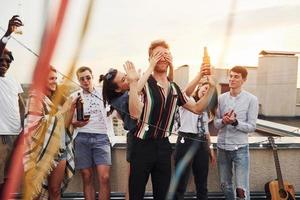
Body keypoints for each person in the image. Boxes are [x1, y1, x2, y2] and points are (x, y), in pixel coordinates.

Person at [128, 39, 216, 200]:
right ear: (150, 59)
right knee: (136, 194)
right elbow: (134, 113)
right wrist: (134, 82)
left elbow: (197, 108)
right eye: (157, 55)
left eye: (166, 54)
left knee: (163, 195)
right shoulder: (143, 84)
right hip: (141, 146)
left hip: (164, 146)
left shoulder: (174, 88)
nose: (162, 58)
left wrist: (211, 88)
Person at [100, 58, 172, 200]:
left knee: (134, 185)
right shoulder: (121, 100)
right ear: (117, 89)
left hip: (148, 140)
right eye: (124, 79)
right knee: (134, 187)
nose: (128, 77)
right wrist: (149, 68)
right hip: (137, 142)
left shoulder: (127, 93)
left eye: (126, 75)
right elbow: (137, 88)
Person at [23, 67, 76, 200]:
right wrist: (63, 111)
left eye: (55, 78)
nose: (54, 81)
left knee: (55, 190)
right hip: (40, 151)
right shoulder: (35, 97)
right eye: (51, 78)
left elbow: (63, 126)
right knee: (36, 191)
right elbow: (35, 126)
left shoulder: (57, 99)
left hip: (59, 148)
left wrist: (71, 110)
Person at [214, 66, 258, 200]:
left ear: (243, 80)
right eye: (231, 76)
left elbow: (252, 127)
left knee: (241, 189)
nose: (232, 79)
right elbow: (216, 123)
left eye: (236, 76)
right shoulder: (220, 99)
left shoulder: (252, 99)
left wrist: (235, 123)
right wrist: (224, 121)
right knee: (225, 185)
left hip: (240, 149)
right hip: (222, 148)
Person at [71, 66, 113, 200]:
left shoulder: (103, 93)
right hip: (82, 138)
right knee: (87, 177)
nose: (85, 81)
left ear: (92, 77)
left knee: (104, 177)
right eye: (82, 79)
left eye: (88, 77)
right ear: (78, 81)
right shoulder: (74, 96)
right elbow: (68, 120)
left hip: (102, 137)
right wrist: (76, 123)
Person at [174, 81, 217, 200]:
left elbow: (206, 131)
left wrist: (210, 148)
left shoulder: (206, 109)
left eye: (209, 90)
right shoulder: (188, 101)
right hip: (185, 140)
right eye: (205, 87)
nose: (206, 90)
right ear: (199, 87)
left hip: (202, 143)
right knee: (180, 180)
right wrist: (200, 75)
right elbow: (185, 92)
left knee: (202, 181)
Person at [0, 15, 25, 192]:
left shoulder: (13, 80)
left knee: (10, 179)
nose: (4, 63)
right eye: (0, 60)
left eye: (7, 61)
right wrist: (8, 32)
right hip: (0, 136)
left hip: (16, 135)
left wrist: (24, 128)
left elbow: (21, 105)